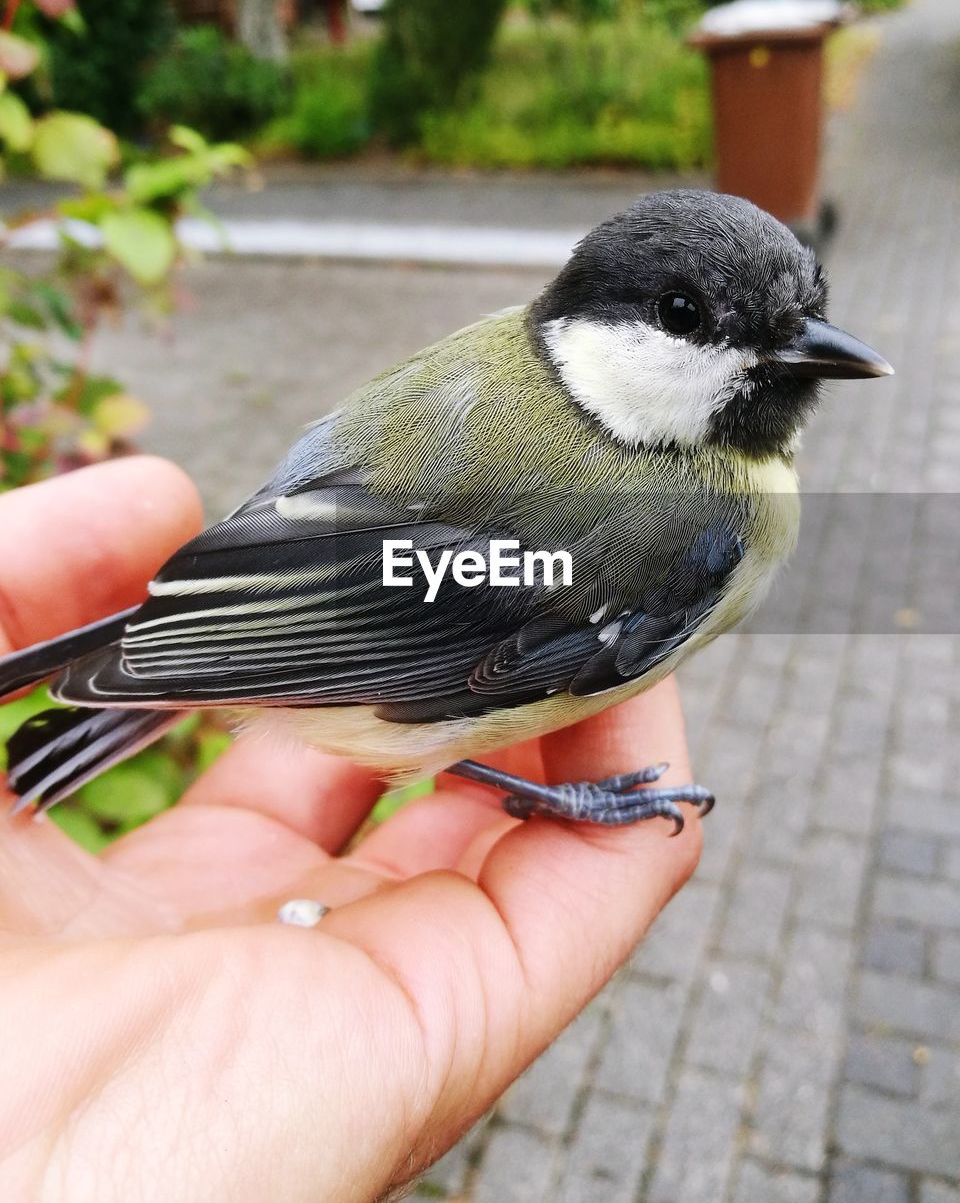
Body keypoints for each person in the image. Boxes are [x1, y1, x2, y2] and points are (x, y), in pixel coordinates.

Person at [0, 456, 701, 1201]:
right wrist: (574, 801)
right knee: (448, 724)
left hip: (285, 582)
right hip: (316, 621)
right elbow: (433, 709)